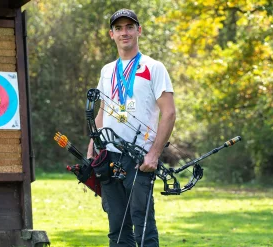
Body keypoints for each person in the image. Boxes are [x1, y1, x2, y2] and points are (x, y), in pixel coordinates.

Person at [87, 8, 176, 247]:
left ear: (139, 30)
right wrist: (92, 148)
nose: (124, 32)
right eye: (118, 28)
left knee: (143, 226)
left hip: (138, 159)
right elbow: (103, 112)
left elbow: (169, 113)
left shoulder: (154, 67)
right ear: (111, 34)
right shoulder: (107, 70)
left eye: (129, 27)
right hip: (110, 157)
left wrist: (154, 155)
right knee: (117, 228)